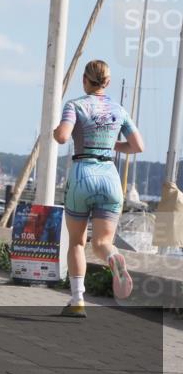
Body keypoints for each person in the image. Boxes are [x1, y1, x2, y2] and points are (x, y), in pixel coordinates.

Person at [53, 59, 144, 316]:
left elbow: (62, 136)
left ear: (84, 80)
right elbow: (138, 147)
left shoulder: (75, 105)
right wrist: (113, 146)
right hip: (109, 177)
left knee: (77, 243)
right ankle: (113, 257)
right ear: (108, 82)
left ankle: (77, 300)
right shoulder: (119, 110)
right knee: (103, 242)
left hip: (83, 173)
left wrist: (55, 132)